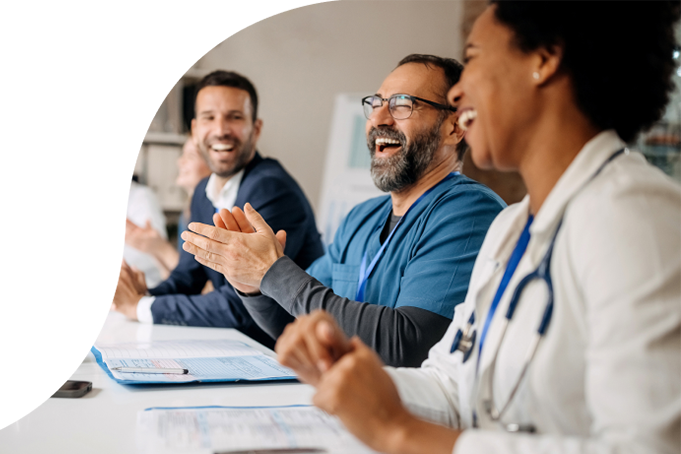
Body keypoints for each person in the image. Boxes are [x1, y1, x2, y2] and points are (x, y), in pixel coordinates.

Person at [271, 1, 681, 453]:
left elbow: (647, 448)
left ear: (544, 59)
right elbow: (452, 387)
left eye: (476, 58)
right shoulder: (511, 228)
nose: (458, 94)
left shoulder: (633, 217)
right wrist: (353, 373)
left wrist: (398, 431)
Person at [182, 55, 506, 367]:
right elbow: (291, 324)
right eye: (376, 104)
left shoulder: (469, 212)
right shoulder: (361, 219)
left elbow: (409, 344)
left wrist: (273, 271)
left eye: (402, 105)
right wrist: (251, 283)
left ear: (455, 127)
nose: (378, 119)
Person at [113, 70, 324, 347]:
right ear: (195, 130)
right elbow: (188, 275)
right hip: (238, 343)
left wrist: (141, 308)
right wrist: (145, 295)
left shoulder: (271, 189)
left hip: (285, 352)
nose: (221, 129)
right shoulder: (204, 191)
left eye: (235, 117)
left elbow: (242, 302)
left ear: (256, 129)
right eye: (209, 117)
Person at [126, 136, 212, 280]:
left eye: (190, 156)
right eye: (182, 154)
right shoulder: (186, 214)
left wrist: (161, 248)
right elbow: (173, 278)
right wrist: (152, 248)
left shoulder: (213, 215)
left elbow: (207, 287)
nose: (180, 161)